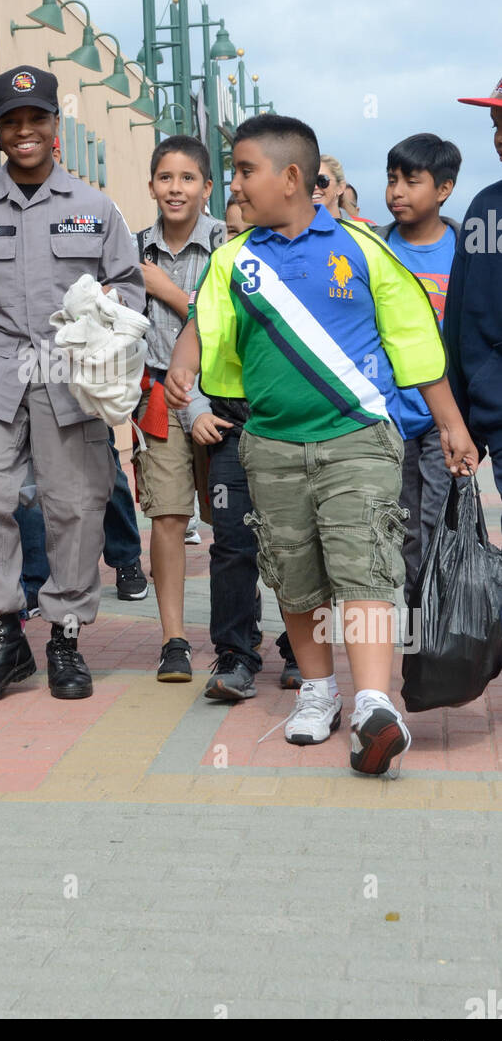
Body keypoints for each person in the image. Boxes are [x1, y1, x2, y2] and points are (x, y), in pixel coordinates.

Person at [166, 113, 477, 776]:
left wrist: (450, 423)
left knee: (364, 566)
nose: (236, 184)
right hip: (270, 445)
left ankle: (372, 702)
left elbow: (413, 342)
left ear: (292, 177)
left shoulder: (362, 247)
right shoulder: (233, 259)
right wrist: (184, 361)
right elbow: (204, 318)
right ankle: (318, 689)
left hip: (359, 442)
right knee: (295, 573)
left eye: (246, 170)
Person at [0, 65, 145, 706]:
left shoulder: (97, 209)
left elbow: (129, 284)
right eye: (12, 121)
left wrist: (105, 313)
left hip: (69, 378)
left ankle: (66, 639)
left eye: (36, 119)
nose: (24, 131)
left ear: (54, 126)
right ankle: (4, 635)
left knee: (74, 508)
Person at [132, 135, 225, 684]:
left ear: (207, 188)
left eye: (188, 178)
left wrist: (170, 292)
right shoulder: (132, 248)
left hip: (224, 399)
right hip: (157, 396)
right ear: (150, 186)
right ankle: (173, 639)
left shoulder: (228, 241)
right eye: (165, 178)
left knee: (235, 523)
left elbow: (227, 316)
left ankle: (250, 633)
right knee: (167, 516)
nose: (175, 188)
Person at [204, 198, 301, 699]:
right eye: (230, 234)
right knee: (232, 544)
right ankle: (236, 653)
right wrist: (197, 405)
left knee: (296, 544)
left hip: (292, 423)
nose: (237, 244)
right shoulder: (222, 272)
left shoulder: (309, 265)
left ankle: (302, 651)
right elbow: (194, 339)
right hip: (230, 425)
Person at [375, 134, 461, 601]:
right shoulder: (375, 249)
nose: (397, 192)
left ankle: (437, 614)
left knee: (436, 518)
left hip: (444, 415)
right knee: (402, 523)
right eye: (392, 180)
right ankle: (414, 613)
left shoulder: (465, 248)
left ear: (443, 189)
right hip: (388, 415)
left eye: (412, 181)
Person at [445, 75, 502, 502]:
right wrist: (463, 421)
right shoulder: (485, 208)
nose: (500, 139)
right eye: (496, 125)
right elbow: (463, 321)